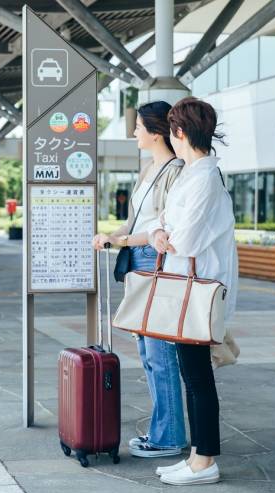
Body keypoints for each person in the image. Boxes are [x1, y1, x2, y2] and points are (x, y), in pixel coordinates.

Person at [148, 97, 238, 485]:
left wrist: (164, 234)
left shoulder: (203, 177)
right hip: (187, 289)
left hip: (196, 292)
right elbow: (163, 222)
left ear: (179, 131)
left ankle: (205, 461)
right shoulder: (192, 173)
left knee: (198, 378)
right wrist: (158, 232)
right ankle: (197, 457)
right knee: (192, 374)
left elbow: (184, 239)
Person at [92, 101, 187, 458]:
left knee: (160, 353)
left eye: (138, 127)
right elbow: (134, 223)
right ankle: (161, 431)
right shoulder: (148, 168)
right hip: (139, 261)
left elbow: (162, 227)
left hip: (156, 261)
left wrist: (120, 240)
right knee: (148, 352)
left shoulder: (176, 170)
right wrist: (110, 235)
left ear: (156, 131)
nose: (134, 133)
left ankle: (171, 436)